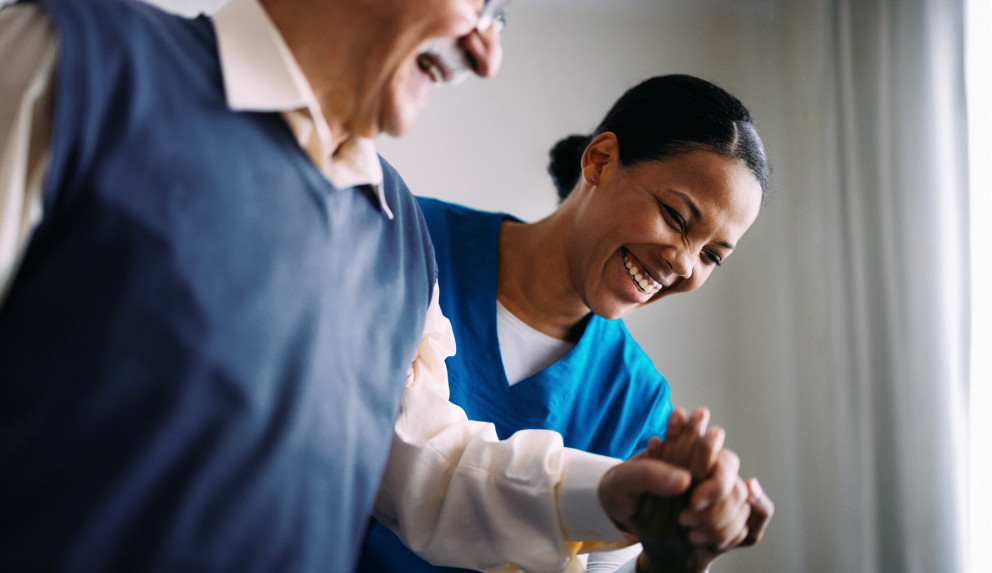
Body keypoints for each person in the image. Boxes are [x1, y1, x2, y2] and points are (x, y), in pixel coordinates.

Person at [0, 0, 763, 571]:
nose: (487, 52)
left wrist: (613, 496)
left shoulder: (395, 232)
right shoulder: (68, 63)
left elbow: (427, 465)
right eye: (477, 3)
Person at [361, 74, 775, 573]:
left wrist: (669, 561)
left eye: (712, 256)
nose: (685, 265)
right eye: (675, 216)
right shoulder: (408, 242)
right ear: (600, 160)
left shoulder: (636, 404)